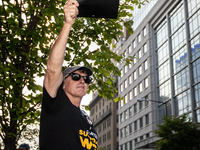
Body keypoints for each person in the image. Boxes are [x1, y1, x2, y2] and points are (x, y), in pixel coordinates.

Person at [39, 0, 98, 149]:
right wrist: (67, 25)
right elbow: (52, 70)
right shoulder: (56, 103)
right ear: (63, 84)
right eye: (76, 77)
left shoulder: (86, 118)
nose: (82, 81)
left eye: (86, 79)